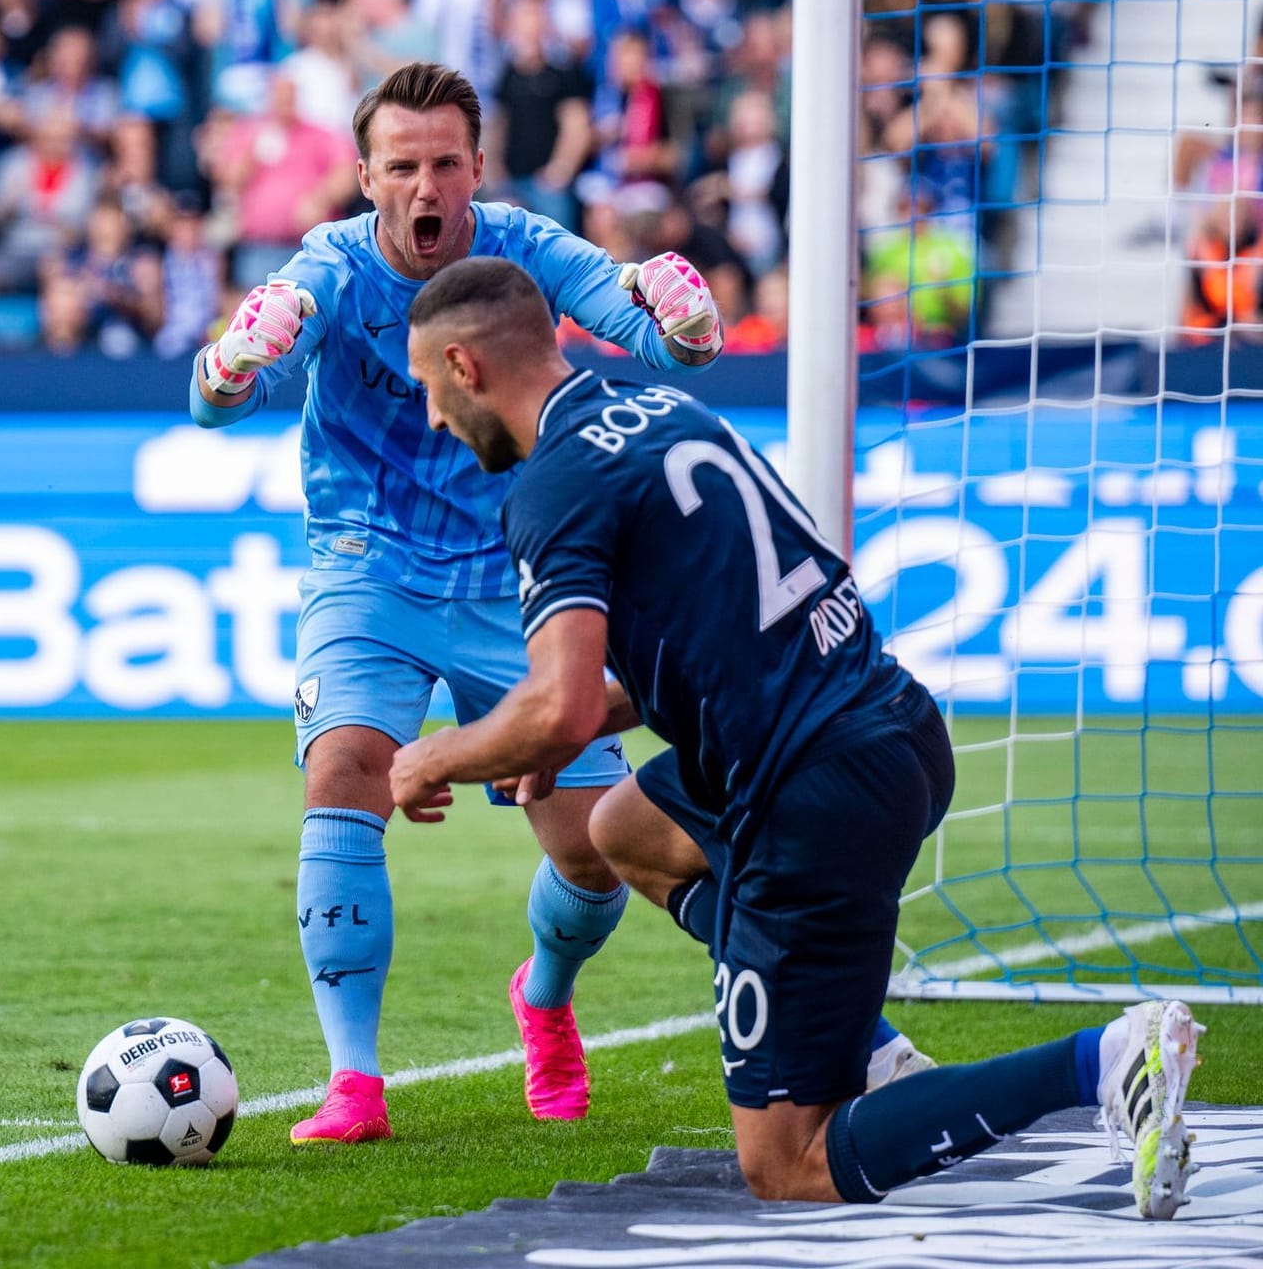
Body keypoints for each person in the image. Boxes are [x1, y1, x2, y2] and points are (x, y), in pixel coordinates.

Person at [389, 255, 1205, 1218]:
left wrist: (438, 753)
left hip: (809, 794)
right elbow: (711, 643)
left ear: (464, 364)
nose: (434, 419)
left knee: (788, 1165)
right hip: (891, 726)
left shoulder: (551, 488)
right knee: (622, 829)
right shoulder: (666, 414)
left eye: (429, 391)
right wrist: (565, 734)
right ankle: (868, 1051)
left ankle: (1103, 1059)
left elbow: (557, 705)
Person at [189, 60, 887, 1147]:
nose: (426, 188)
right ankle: (354, 1078)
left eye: (445, 165)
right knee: (344, 766)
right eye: (402, 166)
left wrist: (686, 319)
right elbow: (209, 403)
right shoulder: (325, 266)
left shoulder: (525, 245)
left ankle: (545, 991)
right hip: (366, 564)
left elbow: (653, 336)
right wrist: (234, 361)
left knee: (593, 850)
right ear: (366, 172)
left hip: (518, 570)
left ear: (478, 166)